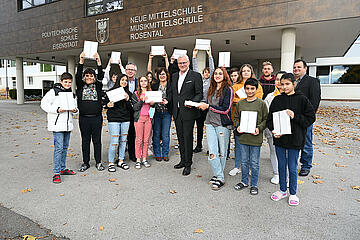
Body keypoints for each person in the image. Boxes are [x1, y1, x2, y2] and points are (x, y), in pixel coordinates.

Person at [267, 73, 315, 206]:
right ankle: (282, 190)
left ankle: (293, 193)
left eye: (287, 84)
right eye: (282, 84)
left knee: (292, 167)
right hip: (280, 139)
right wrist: (273, 130)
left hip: (295, 138)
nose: (284, 86)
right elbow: (269, 119)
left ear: (294, 84)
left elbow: (310, 118)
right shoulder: (277, 100)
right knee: (281, 165)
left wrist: (295, 116)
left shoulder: (302, 99)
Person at [198, 67, 233, 190]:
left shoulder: (228, 89)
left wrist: (208, 106)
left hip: (222, 124)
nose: (217, 75)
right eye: (215, 74)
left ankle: (219, 177)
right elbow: (207, 103)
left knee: (222, 152)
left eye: (220, 73)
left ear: (224, 76)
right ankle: (219, 175)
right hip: (209, 123)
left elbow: (226, 109)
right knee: (213, 152)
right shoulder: (211, 89)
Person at [167, 54, 203, 176]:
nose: (182, 65)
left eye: (184, 63)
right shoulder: (175, 76)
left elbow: (199, 94)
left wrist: (192, 103)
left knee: (187, 138)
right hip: (177, 112)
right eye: (180, 63)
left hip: (189, 112)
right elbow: (172, 93)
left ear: (188, 63)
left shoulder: (196, 76)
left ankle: (188, 164)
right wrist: (167, 101)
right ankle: (182, 160)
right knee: (180, 138)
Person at [41, 72, 78, 183]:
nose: (67, 84)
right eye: (65, 82)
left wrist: (75, 110)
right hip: (57, 125)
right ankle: (56, 173)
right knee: (58, 148)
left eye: (69, 82)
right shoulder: (53, 92)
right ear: (61, 81)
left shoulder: (71, 93)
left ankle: (62, 168)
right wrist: (57, 109)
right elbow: (43, 104)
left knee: (65, 148)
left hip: (68, 125)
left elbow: (76, 108)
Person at [233, 78, 268, 195]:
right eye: (247, 88)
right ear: (244, 89)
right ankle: (244, 181)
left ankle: (254, 184)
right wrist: (237, 126)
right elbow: (236, 118)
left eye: (252, 89)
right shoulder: (240, 103)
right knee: (244, 161)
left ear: (256, 89)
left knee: (254, 162)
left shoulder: (261, 104)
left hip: (255, 138)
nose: (249, 91)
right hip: (243, 137)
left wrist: (259, 128)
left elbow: (266, 119)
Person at [229, 64, 263, 176]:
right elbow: (232, 99)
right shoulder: (236, 86)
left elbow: (258, 98)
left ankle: (248, 167)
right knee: (238, 144)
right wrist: (244, 99)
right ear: (241, 73)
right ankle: (237, 166)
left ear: (251, 72)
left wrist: (241, 99)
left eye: (248, 70)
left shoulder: (257, 85)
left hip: (253, 119)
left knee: (251, 145)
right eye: (244, 71)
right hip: (238, 118)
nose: (246, 73)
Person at [76, 52, 105, 172]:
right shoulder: (80, 86)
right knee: (85, 141)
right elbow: (78, 75)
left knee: (97, 141)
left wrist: (98, 61)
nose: (89, 78)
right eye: (87, 76)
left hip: (97, 118)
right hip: (83, 118)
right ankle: (85, 162)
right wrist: (81, 59)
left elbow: (101, 76)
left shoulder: (98, 86)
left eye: (91, 76)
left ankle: (98, 162)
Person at [293, 59, 321, 176]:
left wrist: (308, 117)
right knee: (294, 141)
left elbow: (315, 101)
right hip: (293, 117)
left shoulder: (312, 81)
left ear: (305, 68)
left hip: (305, 118)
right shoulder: (293, 82)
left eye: (299, 67)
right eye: (295, 67)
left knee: (306, 142)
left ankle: (306, 165)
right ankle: (293, 162)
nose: (296, 69)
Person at [104, 74, 132, 172]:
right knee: (114, 142)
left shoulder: (129, 93)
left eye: (126, 80)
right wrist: (108, 105)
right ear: (118, 81)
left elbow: (131, 109)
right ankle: (111, 162)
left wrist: (128, 100)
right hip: (114, 119)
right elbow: (105, 105)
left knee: (123, 141)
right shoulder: (111, 92)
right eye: (122, 80)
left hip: (125, 119)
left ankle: (120, 160)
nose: (124, 82)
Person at [264, 71, 286, 184]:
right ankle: (276, 173)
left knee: (286, 153)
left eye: (282, 79)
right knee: (274, 151)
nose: (279, 82)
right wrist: (272, 129)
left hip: (288, 131)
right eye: (277, 79)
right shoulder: (269, 97)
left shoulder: (293, 96)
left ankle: (286, 175)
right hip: (272, 129)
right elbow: (266, 114)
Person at [192, 46, 215, 153]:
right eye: (205, 72)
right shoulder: (199, 79)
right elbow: (195, 70)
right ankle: (199, 145)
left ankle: (211, 148)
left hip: (208, 106)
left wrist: (209, 55)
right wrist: (194, 56)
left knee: (210, 128)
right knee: (199, 127)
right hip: (199, 106)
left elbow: (213, 68)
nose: (207, 73)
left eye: (208, 72)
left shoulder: (211, 81)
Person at [131, 76, 155, 169]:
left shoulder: (151, 93)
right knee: (139, 140)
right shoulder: (136, 94)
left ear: (148, 82)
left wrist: (153, 104)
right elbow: (135, 107)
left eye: (145, 81)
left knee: (146, 140)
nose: (143, 82)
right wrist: (142, 100)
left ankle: (144, 159)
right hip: (139, 118)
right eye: (141, 81)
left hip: (148, 118)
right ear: (139, 83)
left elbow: (153, 107)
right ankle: (138, 159)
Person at [152, 68, 172, 162]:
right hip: (156, 112)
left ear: (167, 75)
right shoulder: (154, 85)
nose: (162, 76)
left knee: (165, 134)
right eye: (160, 74)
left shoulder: (171, 85)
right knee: (156, 133)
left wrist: (168, 101)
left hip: (167, 112)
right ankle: (157, 153)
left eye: (163, 74)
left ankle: (165, 153)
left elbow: (173, 97)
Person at [125, 63, 138, 162]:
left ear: (135, 72)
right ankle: (120, 156)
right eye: (128, 69)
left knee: (133, 134)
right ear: (125, 71)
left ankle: (132, 154)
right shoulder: (122, 82)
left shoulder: (139, 82)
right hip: (124, 112)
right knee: (123, 134)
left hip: (136, 112)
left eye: (132, 70)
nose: (130, 71)